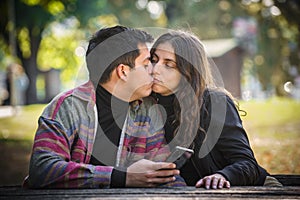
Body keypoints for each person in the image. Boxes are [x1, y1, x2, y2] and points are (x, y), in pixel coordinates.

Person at [23, 25, 185, 189]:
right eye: (146, 64)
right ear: (123, 71)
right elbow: (42, 170)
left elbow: (163, 172)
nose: (153, 70)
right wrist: (120, 177)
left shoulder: (148, 110)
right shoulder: (67, 107)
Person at [150, 30, 282, 189]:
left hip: (235, 191)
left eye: (168, 64)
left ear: (188, 71)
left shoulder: (215, 102)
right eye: (153, 60)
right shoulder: (144, 106)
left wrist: (222, 175)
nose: (155, 69)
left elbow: (247, 163)